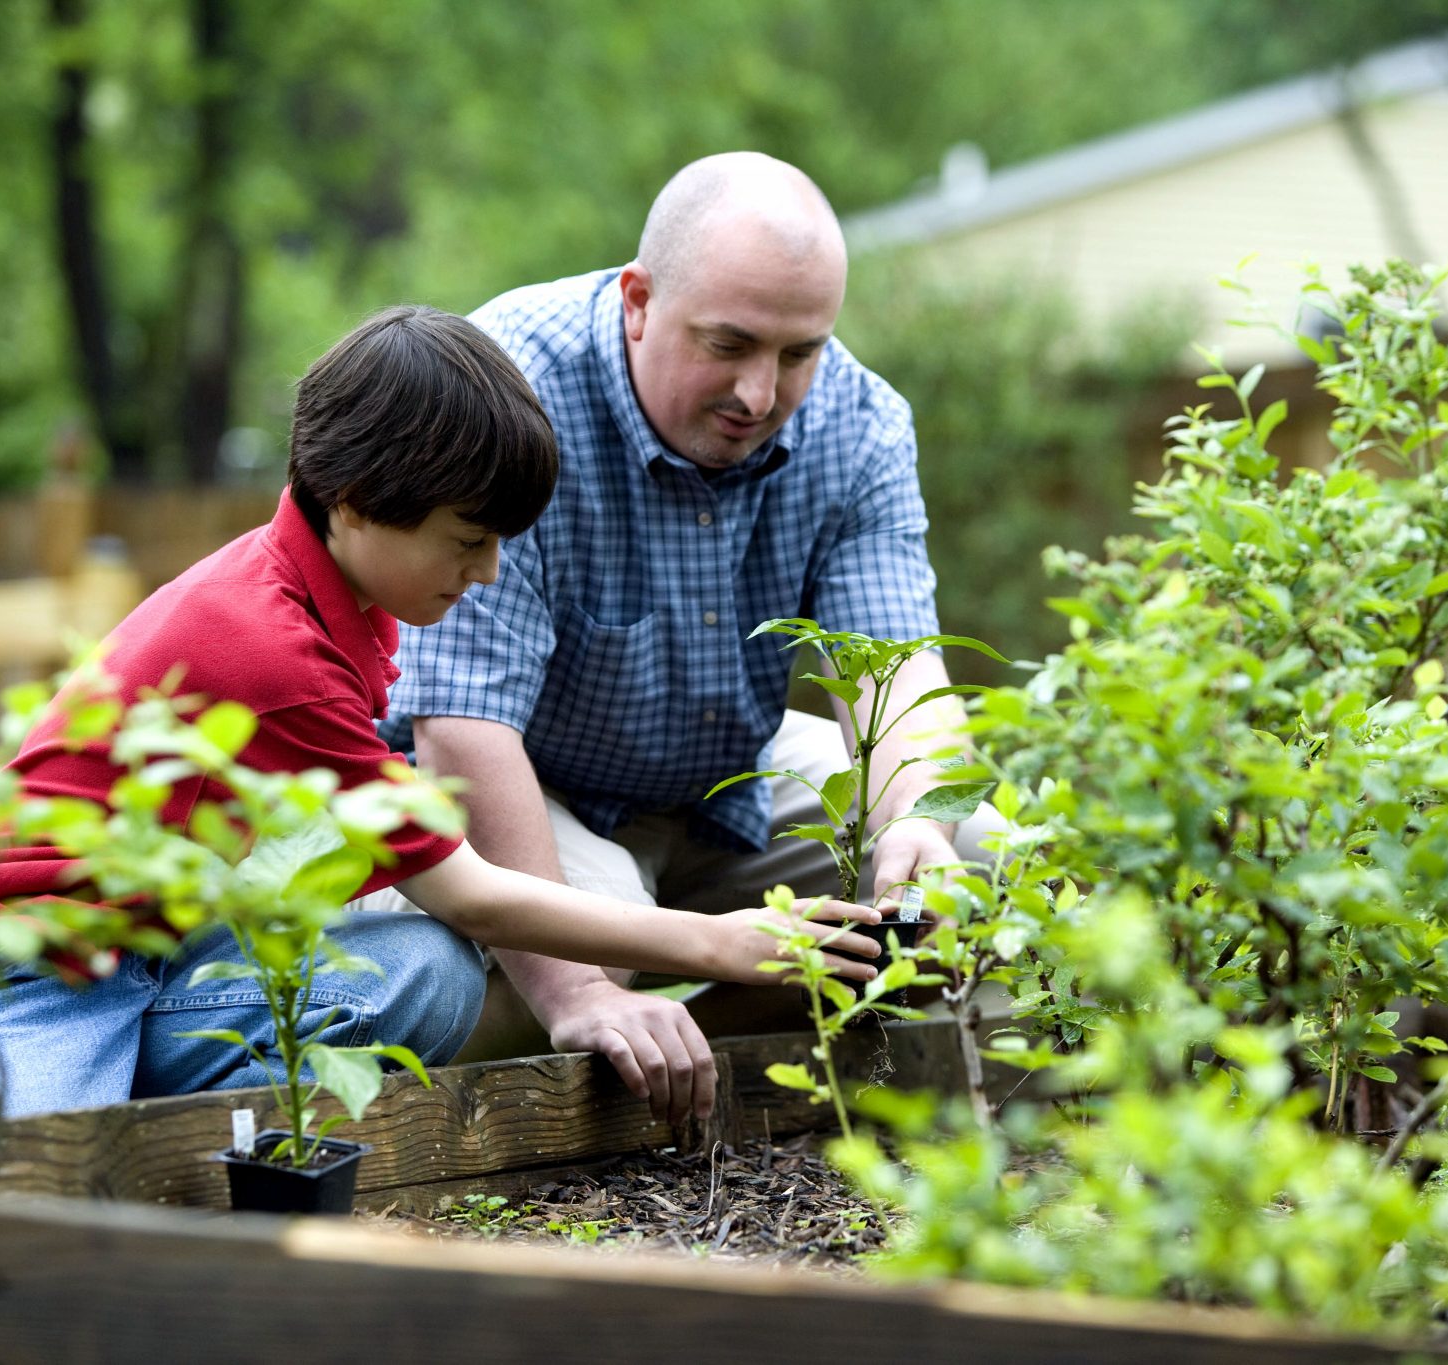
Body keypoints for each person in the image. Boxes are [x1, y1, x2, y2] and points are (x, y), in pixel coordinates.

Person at [0, 305, 880, 1130]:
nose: (486, 571)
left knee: (422, 978)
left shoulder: (342, 607)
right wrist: (715, 944)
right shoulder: (268, 645)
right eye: (467, 540)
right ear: (356, 502)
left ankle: (146, 1130)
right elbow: (472, 891)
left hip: (148, 960)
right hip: (13, 975)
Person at [381, 153, 996, 1129]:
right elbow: (459, 728)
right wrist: (578, 990)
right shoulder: (507, 389)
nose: (760, 392)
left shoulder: (860, 423)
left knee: (981, 860)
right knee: (593, 939)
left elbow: (893, 671)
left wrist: (915, 820)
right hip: (527, 776)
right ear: (637, 300)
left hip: (725, 777)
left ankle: (690, 1061)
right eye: (729, 345)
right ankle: (556, 1060)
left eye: (798, 354)